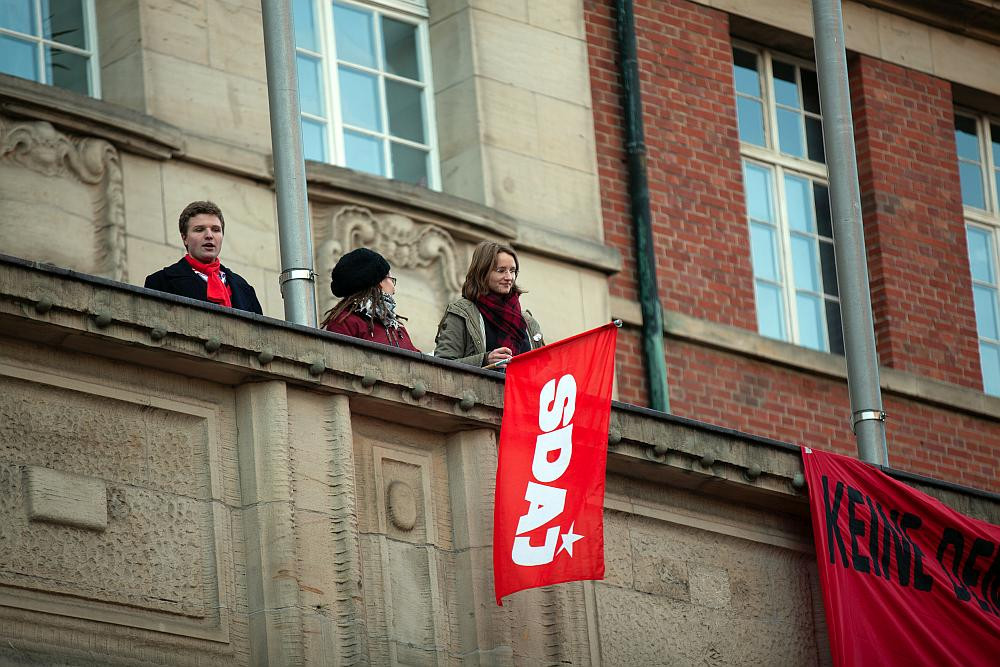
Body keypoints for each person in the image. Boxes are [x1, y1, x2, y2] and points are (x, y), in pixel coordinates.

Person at [434, 240, 543, 367]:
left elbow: (543, 371)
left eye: (512, 271)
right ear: (483, 272)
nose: (509, 277)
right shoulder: (462, 313)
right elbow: (442, 365)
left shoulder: (528, 323)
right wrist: (485, 360)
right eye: (501, 270)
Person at [144, 201, 263, 314]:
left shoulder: (244, 288)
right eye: (199, 230)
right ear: (184, 238)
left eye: (216, 230)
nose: (209, 235)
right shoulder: (160, 282)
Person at [321, 247, 420, 352]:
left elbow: (418, 361)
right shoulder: (345, 322)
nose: (394, 289)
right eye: (390, 278)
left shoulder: (395, 325)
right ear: (377, 283)